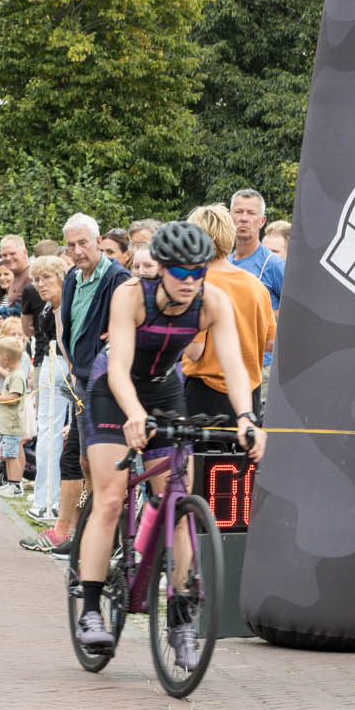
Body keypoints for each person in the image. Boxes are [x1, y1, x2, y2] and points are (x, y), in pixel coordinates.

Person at [73, 220, 266, 655]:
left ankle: (180, 621)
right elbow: (118, 368)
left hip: (165, 388)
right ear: (160, 269)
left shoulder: (212, 301)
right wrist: (134, 415)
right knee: (110, 497)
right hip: (114, 389)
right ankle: (90, 608)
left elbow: (234, 365)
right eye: (180, 271)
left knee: (179, 504)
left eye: (198, 271)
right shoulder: (131, 295)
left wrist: (246, 417)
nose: (190, 280)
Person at [23, 214, 127, 554]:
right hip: (80, 379)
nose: (78, 251)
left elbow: (123, 328)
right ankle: (81, 530)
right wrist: (71, 364)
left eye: (83, 243)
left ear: (98, 241)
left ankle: (99, 535)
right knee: (82, 460)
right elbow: (66, 324)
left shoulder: (117, 278)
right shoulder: (71, 278)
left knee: (96, 462)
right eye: (71, 245)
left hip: (106, 383)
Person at [180, 203, 274, 426]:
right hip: (248, 395)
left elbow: (194, 351)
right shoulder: (256, 285)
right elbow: (270, 343)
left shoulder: (197, 285)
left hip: (206, 394)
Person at [26, 255, 68, 524]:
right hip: (50, 363)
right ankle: (45, 499)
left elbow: (66, 341)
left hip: (64, 365)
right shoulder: (47, 307)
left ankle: (51, 501)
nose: (41, 284)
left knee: (53, 432)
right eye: (37, 279)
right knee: (47, 432)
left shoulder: (66, 305)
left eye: (47, 278)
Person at [0, 328, 31, 495]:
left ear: (5, 359)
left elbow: (15, 397)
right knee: (8, 454)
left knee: (12, 455)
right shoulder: (12, 374)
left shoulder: (17, 376)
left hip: (12, 424)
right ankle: (11, 482)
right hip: (6, 423)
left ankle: (16, 485)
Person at [229, 189, 285, 312]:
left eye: (251, 213)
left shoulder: (274, 265)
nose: (244, 218)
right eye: (239, 212)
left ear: (262, 221)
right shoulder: (225, 263)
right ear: (230, 217)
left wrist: (260, 315)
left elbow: (295, 312)